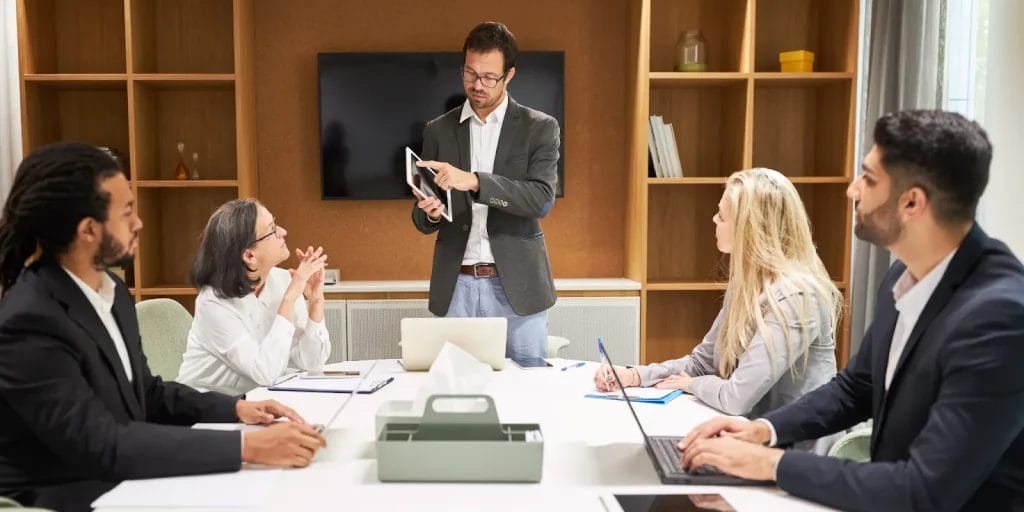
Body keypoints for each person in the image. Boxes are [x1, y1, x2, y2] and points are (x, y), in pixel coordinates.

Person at [678, 111, 1024, 511]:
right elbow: (856, 388)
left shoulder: (999, 319)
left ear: (912, 202)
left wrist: (774, 463)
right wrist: (763, 430)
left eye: (869, 178)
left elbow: (924, 489)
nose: (852, 190)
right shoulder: (905, 275)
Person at [0, 143, 326, 511]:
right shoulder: (30, 321)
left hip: (123, 478)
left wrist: (236, 409)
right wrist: (246, 447)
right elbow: (100, 444)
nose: (138, 223)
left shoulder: (112, 292)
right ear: (88, 230)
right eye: (126, 213)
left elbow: (147, 394)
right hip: (64, 497)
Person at [595, 168, 842, 420]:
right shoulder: (745, 285)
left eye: (722, 216)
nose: (713, 220)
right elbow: (701, 364)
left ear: (750, 230)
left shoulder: (798, 297)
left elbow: (736, 398)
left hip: (796, 449)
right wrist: (634, 375)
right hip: (753, 434)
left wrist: (691, 385)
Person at [411, 21, 560, 360]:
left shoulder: (540, 128)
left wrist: (475, 181)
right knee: (456, 397)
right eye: (469, 73)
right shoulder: (439, 129)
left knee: (528, 395)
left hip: (518, 288)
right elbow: (421, 217)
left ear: (509, 75)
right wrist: (429, 212)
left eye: (489, 77)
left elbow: (540, 199)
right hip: (456, 286)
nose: (477, 85)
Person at [178, 199, 331, 395]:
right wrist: (290, 298)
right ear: (249, 256)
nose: (283, 232)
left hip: (256, 401)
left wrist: (316, 302)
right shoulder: (213, 304)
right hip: (206, 409)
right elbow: (264, 372)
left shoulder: (283, 280)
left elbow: (311, 363)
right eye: (272, 229)